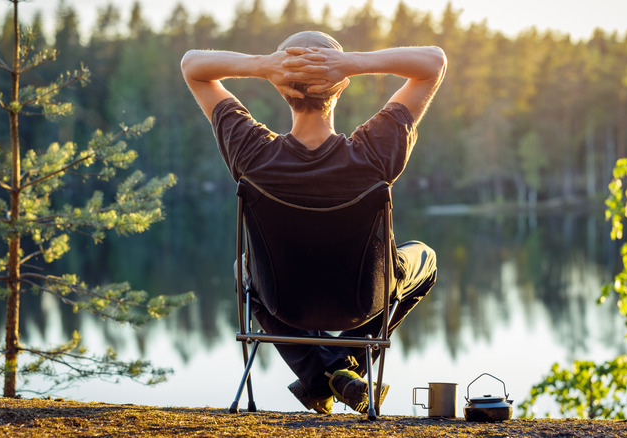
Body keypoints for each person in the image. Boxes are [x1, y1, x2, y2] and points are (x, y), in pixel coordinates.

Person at [181, 31, 446, 414]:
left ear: (281, 89)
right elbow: (434, 62)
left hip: (284, 304)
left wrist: (263, 65)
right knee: (425, 257)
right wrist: (352, 63)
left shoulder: (251, 154)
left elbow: (192, 66)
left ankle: (321, 371)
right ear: (341, 89)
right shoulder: (374, 153)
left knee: (244, 268)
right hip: (363, 301)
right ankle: (341, 364)